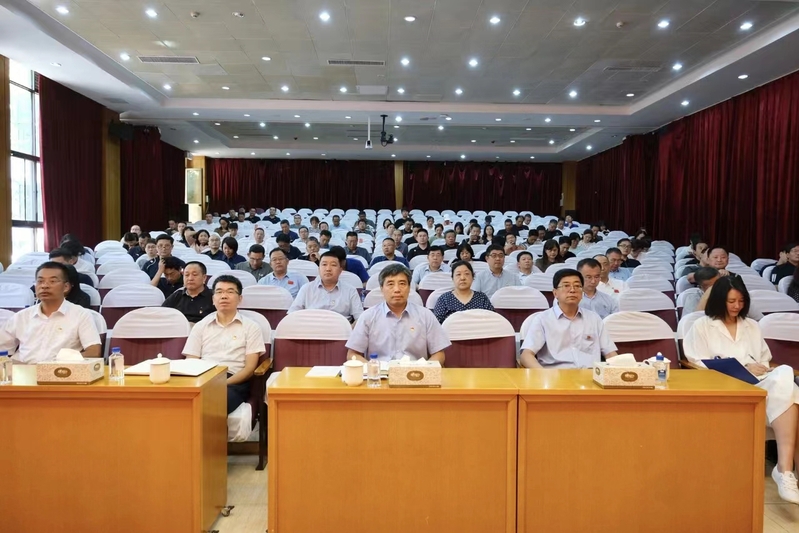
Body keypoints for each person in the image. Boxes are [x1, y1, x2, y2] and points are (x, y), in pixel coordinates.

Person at [683, 276, 799, 504]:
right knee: (793, 397)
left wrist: (760, 367)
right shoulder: (702, 325)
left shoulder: (752, 326)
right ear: (719, 300)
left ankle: (784, 470)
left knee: (784, 372)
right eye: (731, 301)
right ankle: (785, 471)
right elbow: (697, 361)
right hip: (722, 386)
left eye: (741, 301)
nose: (737, 306)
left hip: (758, 384)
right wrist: (743, 366)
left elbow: (764, 360)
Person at [182, 275, 264, 415]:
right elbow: (191, 361)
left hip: (233, 381)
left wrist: (221, 384)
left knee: (211, 402)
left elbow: (249, 368)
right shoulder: (201, 326)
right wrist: (204, 383)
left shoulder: (251, 327)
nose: (224, 296)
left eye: (230, 292)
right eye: (219, 292)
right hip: (203, 377)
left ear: (240, 299)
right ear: (213, 299)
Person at [346, 263, 450, 363]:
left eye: (402, 284)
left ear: (409, 288)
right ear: (382, 289)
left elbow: (439, 354)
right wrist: (371, 368)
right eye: (390, 284)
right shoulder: (368, 316)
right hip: (379, 373)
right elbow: (352, 354)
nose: (397, 289)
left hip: (415, 372)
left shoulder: (426, 315)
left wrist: (425, 370)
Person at [0, 262, 101, 363]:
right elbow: (3, 349)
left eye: (52, 281)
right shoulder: (21, 316)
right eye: (40, 281)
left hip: (60, 370)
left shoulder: (81, 315)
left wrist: (58, 364)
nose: (44, 286)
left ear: (66, 287)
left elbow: (94, 352)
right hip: (22, 369)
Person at [520, 269, 619, 369]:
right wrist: (543, 374)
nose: (572, 290)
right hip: (555, 375)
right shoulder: (543, 319)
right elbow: (526, 355)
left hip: (590, 375)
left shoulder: (594, 318)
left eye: (577, 286)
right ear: (555, 293)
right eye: (566, 286)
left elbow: (610, 354)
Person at [288, 250, 364, 323]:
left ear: (340, 270)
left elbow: (360, 318)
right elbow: (292, 315)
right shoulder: (306, 289)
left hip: (340, 330)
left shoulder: (350, 290)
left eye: (333, 265)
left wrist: (350, 328)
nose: (328, 269)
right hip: (311, 329)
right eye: (324, 265)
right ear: (319, 269)